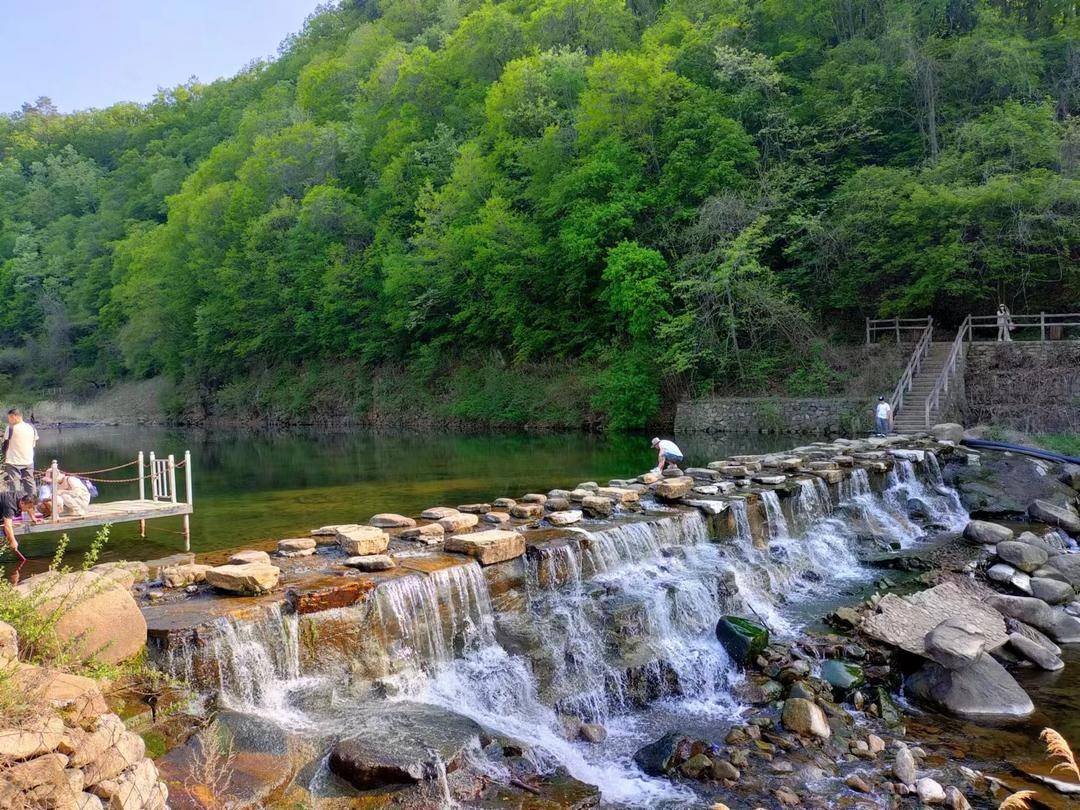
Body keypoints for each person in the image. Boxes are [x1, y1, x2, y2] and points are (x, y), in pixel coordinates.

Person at [3, 408, 38, 499]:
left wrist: (4, 456)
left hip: (13, 461)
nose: (9, 420)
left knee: (14, 486)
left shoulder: (10, 428)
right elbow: (33, 444)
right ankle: (32, 504)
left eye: (10, 418)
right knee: (30, 483)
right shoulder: (32, 427)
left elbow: (5, 444)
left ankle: (16, 506)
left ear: (15, 417)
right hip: (28, 460)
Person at [1, 489, 37, 561]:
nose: (29, 509)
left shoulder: (25, 496)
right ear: (22, 503)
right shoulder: (10, 507)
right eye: (28, 508)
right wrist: (13, 541)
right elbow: (7, 526)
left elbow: (31, 506)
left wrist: (33, 517)